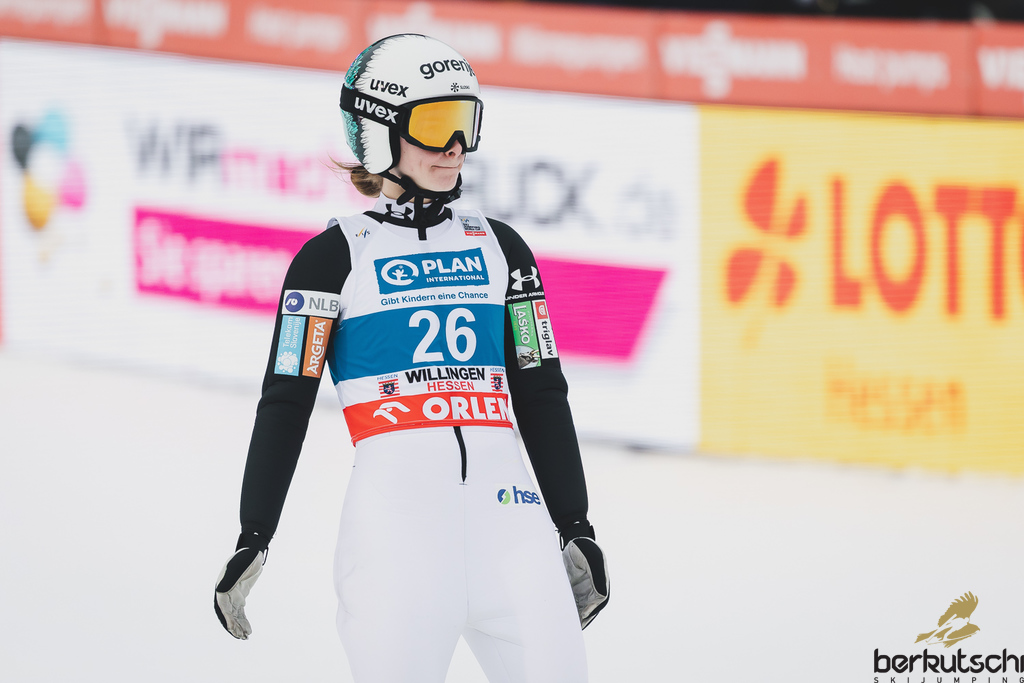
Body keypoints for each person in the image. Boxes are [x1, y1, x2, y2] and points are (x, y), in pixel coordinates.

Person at [213, 33, 609, 682]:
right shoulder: (331, 260)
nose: (455, 146)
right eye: (434, 123)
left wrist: (575, 523)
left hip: (513, 537)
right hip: (396, 545)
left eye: (464, 122)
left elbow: (541, 391)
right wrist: (254, 532)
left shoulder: (503, 249)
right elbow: (284, 403)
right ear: (378, 131)